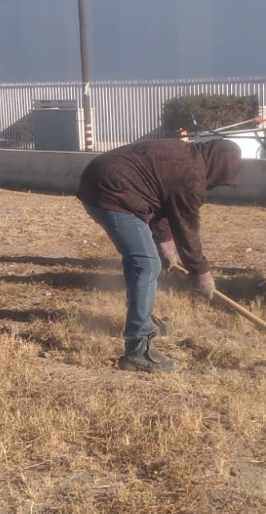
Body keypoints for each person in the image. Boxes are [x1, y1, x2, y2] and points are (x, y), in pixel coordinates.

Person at [78, 138, 242, 373]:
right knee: (146, 265)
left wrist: (165, 244)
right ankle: (137, 349)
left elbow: (162, 199)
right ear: (219, 166)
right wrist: (200, 272)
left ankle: (142, 319)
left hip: (105, 181)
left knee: (141, 262)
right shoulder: (191, 177)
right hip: (110, 190)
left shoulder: (188, 156)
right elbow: (186, 228)